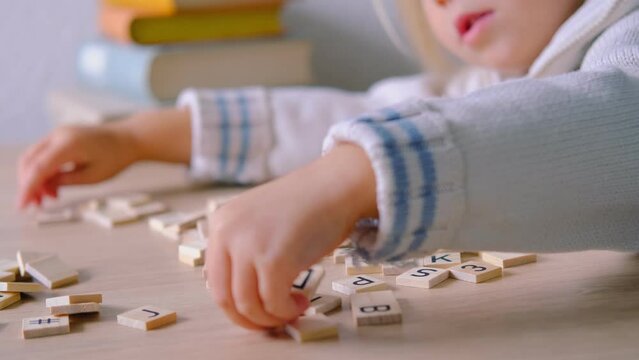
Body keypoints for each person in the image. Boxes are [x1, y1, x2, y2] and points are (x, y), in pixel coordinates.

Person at [17, 0, 639, 330]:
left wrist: (356, 176)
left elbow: (616, 119)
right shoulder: (489, 79)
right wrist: (140, 138)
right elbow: (352, 116)